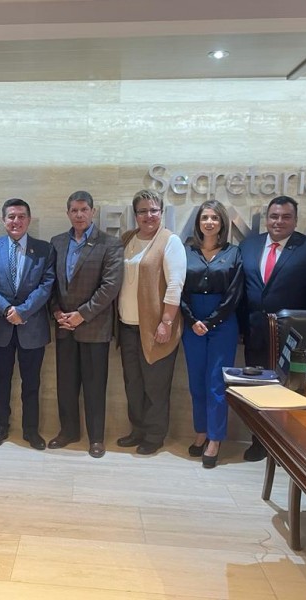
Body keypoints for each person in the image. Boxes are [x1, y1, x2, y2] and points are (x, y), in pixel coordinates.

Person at [238, 195, 306, 461]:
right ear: (267, 218)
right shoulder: (248, 246)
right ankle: (259, 442)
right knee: (257, 389)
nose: (278, 221)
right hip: (256, 334)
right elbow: (241, 292)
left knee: (290, 392)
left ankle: (288, 447)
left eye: (285, 217)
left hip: (295, 339)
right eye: (274, 216)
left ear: (295, 219)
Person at [48, 191, 123, 458]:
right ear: (68, 213)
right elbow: (50, 282)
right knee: (66, 385)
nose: (79, 215)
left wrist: (81, 314)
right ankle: (68, 431)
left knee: (94, 386)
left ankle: (96, 438)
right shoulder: (57, 242)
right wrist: (56, 311)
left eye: (84, 210)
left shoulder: (110, 244)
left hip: (94, 326)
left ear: (93, 212)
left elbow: (110, 286)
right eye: (74, 210)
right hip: (64, 326)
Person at [0, 198, 56, 450]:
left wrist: (22, 311)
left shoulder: (44, 249)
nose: (16, 221)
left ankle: (31, 431)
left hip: (32, 328)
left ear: (29, 220)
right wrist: (6, 309)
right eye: (11, 216)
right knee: (0, 381)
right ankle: (0, 427)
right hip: (0, 327)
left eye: (21, 216)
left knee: (31, 383)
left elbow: (46, 285)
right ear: (3, 220)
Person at [116, 189, 186, 455]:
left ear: (162, 212)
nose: (148, 216)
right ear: (135, 215)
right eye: (143, 211)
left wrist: (166, 322)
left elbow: (175, 285)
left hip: (156, 329)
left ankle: (155, 435)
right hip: (127, 326)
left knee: (155, 386)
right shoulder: (127, 239)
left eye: (154, 210)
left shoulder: (170, 241)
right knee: (133, 384)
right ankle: (137, 430)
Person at [181, 200, 243, 468]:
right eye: (204, 217)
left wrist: (211, 321)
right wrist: (191, 319)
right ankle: (201, 432)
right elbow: (177, 288)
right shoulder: (186, 252)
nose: (209, 222)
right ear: (198, 222)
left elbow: (234, 294)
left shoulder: (234, 253)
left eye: (214, 218)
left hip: (223, 324)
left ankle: (215, 439)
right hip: (192, 323)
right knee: (196, 382)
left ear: (222, 223)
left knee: (216, 384)